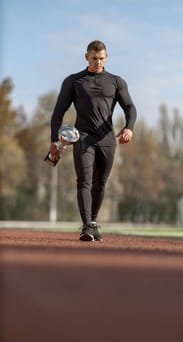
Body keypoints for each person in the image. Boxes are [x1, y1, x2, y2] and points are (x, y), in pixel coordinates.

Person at [49, 40, 137, 241]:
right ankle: (87, 225)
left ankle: (94, 223)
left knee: (101, 183)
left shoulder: (116, 81)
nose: (98, 62)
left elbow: (130, 107)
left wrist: (129, 128)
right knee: (84, 181)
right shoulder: (74, 81)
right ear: (86, 57)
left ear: (106, 58)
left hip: (108, 139)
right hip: (84, 139)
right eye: (94, 58)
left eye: (101, 58)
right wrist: (54, 140)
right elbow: (58, 113)